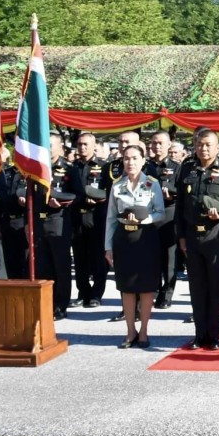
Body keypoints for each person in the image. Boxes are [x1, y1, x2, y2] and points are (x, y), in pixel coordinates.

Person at [175, 128, 219, 350]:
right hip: (193, 235)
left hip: (216, 236)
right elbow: (180, 206)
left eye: (208, 144)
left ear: (217, 147)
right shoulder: (187, 169)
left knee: (217, 287)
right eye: (200, 144)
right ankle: (200, 334)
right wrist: (181, 236)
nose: (203, 148)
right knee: (197, 287)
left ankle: (215, 335)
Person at [104, 144, 165, 349]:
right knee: (127, 288)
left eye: (134, 158)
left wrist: (144, 219)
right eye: (126, 159)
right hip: (124, 239)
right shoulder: (117, 185)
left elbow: (160, 213)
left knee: (146, 288)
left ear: (142, 161)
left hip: (145, 238)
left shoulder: (151, 184)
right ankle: (130, 330)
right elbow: (111, 218)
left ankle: (144, 331)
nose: (130, 162)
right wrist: (108, 246)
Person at [27, 135, 84, 319]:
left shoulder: (70, 169)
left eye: (51, 145)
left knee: (61, 265)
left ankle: (61, 305)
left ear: (60, 147)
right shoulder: (36, 168)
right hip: (38, 221)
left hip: (58, 221)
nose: (48, 149)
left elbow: (79, 195)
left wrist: (61, 201)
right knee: (42, 266)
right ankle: (45, 303)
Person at [72, 132, 112, 308]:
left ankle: (96, 293)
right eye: (80, 144)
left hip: (96, 217)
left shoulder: (104, 167)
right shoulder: (71, 167)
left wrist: (97, 197)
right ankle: (83, 292)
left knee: (98, 258)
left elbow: (109, 192)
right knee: (79, 258)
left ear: (94, 145)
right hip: (76, 217)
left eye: (86, 144)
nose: (82, 147)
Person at [145, 131, 181, 310]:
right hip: (149, 214)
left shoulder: (176, 166)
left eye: (160, 143)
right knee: (152, 256)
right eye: (154, 143)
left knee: (169, 256)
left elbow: (182, 190)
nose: (156, 146)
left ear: (169, 145)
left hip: (168, 213)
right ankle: (155, 290)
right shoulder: (146, 166)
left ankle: (167, 293)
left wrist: (170, 192)